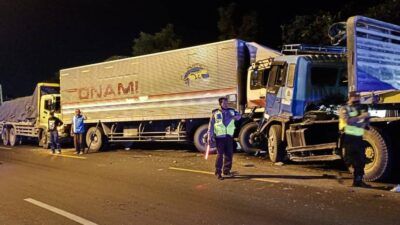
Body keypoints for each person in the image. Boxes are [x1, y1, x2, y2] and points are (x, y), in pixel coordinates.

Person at [339, 92, 370, 187]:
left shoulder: (360, 108)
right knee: (352, 160)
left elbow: (366, 122)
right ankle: (356, 180)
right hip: (349, 138)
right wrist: (362, 117)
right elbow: (348, 121)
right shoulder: (344, 108)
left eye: (359, 97)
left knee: (361, 160)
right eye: (356, 97)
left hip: (358, 137)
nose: (359, 99)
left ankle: (358, 181)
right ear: (351, 97)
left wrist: (364, 120)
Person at [208, 97, 241, 180]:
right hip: (220, 137)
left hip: (229, 136)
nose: (226, 104)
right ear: (220, 103)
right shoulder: (215, 113)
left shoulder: (231, 111)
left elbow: (239, 116)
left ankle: (226, 171)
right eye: (224, 103)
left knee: (229, 154)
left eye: (227, 103)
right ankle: (218, 172)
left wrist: (235, 117)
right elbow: (211, 125)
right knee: (220, 155)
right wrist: (209, 135)